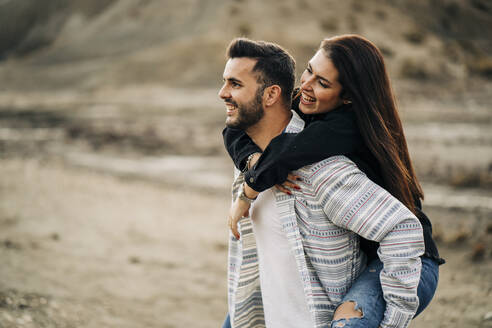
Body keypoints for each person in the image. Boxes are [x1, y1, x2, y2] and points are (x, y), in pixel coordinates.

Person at [219, 37, 431, 328]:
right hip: (364, 241)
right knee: (242, 315)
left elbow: (402, 232)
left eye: (323, 82)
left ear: (347, 97)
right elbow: (238, 129)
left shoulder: (344, 130)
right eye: (308, 70)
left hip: (408, 255)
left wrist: (250, 189)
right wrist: (255, 162)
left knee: (349, 322)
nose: (305, 85)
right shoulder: (301, 105)